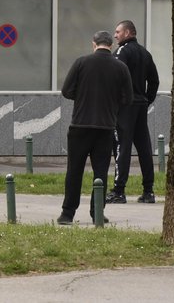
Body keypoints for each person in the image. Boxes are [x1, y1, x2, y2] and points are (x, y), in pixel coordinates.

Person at [57, 31, 133, 225]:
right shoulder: (121, 67)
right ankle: (97, 212)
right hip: (105, 127)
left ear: (94, 44)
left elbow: (67, 90)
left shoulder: (81, 63)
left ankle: (67, 214)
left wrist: (82, 97)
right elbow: (128, 98)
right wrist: (112, 103)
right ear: (110, 45)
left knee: (74, 171)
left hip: (80, 125)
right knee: (101, 172)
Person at [106, 20, 160, 204]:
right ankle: (149, 191)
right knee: (144, 147)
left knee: (122, 146)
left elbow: (114, 75)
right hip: (140, 106)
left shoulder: (122, 51)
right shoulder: (146, 54)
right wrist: (146, 99)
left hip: (125, 107)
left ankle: (119, 191)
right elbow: (154, 80)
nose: (115, 35)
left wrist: (116, 100)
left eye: (118, 31)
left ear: (128, 32)